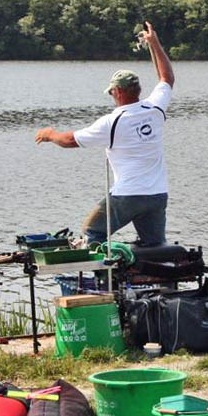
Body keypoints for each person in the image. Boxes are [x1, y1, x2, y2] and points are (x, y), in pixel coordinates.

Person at [35, 21, 175, 247]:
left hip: (128, 195)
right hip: (157, 195)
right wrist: (154, 43)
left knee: (92, 231)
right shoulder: (155, 109)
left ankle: (104, 278)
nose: (111, 95)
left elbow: (70, 140)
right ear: (137, 90)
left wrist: (51, 134)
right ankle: (148, 277)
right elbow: (166, 78)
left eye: (111, 92)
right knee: (154, 245)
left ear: (118, 92)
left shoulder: (112, 122)